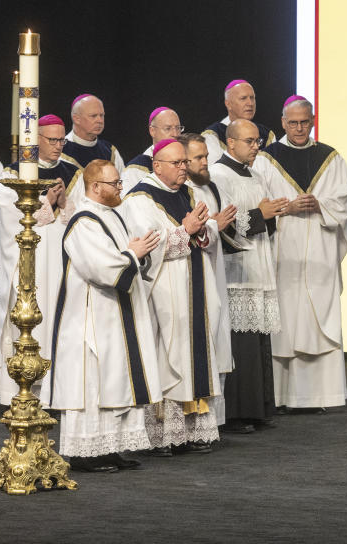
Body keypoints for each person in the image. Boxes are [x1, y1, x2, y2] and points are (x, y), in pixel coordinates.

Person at [42, 159, 161, 473]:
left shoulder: (111, 216)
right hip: (91, 319)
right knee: (93, 384)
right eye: (114, 183)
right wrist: (132, 255)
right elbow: (100, 267)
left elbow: (127, 258)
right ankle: (85, 453)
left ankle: (110, 448)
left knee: (115, 382)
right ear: (95, 186)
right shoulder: (83, 221)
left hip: (115, 314)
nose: (120, 188)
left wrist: (139, 255)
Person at [120, 138, 222, 455]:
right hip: (164, 289)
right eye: (177, 163)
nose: (183, 168)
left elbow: (205, 233)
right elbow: (147, 244)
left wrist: (204, 228)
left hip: (195, 283)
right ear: (157, 165)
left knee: (195, 353)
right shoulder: (139, 198)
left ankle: (192, 430)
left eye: (184, 162)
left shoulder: (188, 193)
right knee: (168, 356)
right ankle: (161, 433)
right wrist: (186, 229)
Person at [252, 95, 347, 412]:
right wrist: (287, 207)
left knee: (316, 316)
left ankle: (320, 397)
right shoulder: (267, 159)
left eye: (304, 122)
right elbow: (258, 203)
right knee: (286, 318)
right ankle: (281, 397)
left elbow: (343, 203)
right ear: (282, 123)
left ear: (313, 120)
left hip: (320, 253)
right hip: (284, 250)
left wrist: (320, 205)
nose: (298, 128)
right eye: (292, 122)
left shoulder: (331, 158)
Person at [0, 114, 78, 405]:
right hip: (32, 265)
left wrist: (66, 205)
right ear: (35, 139)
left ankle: (58, 391)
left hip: (64, 265)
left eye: (61, 139)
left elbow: (82, 216)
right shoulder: (14, 173)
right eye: (52, 140)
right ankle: (25, 390)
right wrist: (47, 204)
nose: (58, 146)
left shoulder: (73, 171)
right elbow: (10, 218)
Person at [209, 120, 286, 433]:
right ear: (230, 143)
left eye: (257, 141)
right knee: (239, 343)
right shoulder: (218, 174)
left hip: (259, 265)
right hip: (236, 271)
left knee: (257, 339)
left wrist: (270, 216)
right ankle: (237, 413)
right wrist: (260, 215)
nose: (257, 146)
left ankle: (259, 408)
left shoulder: (255, 174)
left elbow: (264, 218)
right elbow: (224, 224)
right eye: (250, 141)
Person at [180, 133, 237, 428]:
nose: (206, 162)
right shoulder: (182, 193)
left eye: (205, 156)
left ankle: (213, 421)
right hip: (193, 276)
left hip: (215, 272)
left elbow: (224, 221)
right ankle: (197, 423)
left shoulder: (211, 185)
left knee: (218, 339)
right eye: (199, 158)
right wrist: (213, 223)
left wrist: (221, 223)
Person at [62, 94, 125, 202]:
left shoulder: (110, 151)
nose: (99, 120)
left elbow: (123, 185)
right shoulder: (60, 150)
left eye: (102, 115)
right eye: (93, 116)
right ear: (76, 118)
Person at [202, 80, 277, 164]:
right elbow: (215, 171)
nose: (250, 103)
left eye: (252, 98)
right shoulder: (213, 135)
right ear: (228, 104)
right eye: (243, 98)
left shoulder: (267, 135)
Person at [122, 107, 184, 194]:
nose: (175, 134)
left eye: (178, 128)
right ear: (152, 131)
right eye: (168, 128)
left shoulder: (186, 161)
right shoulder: (135, 170)